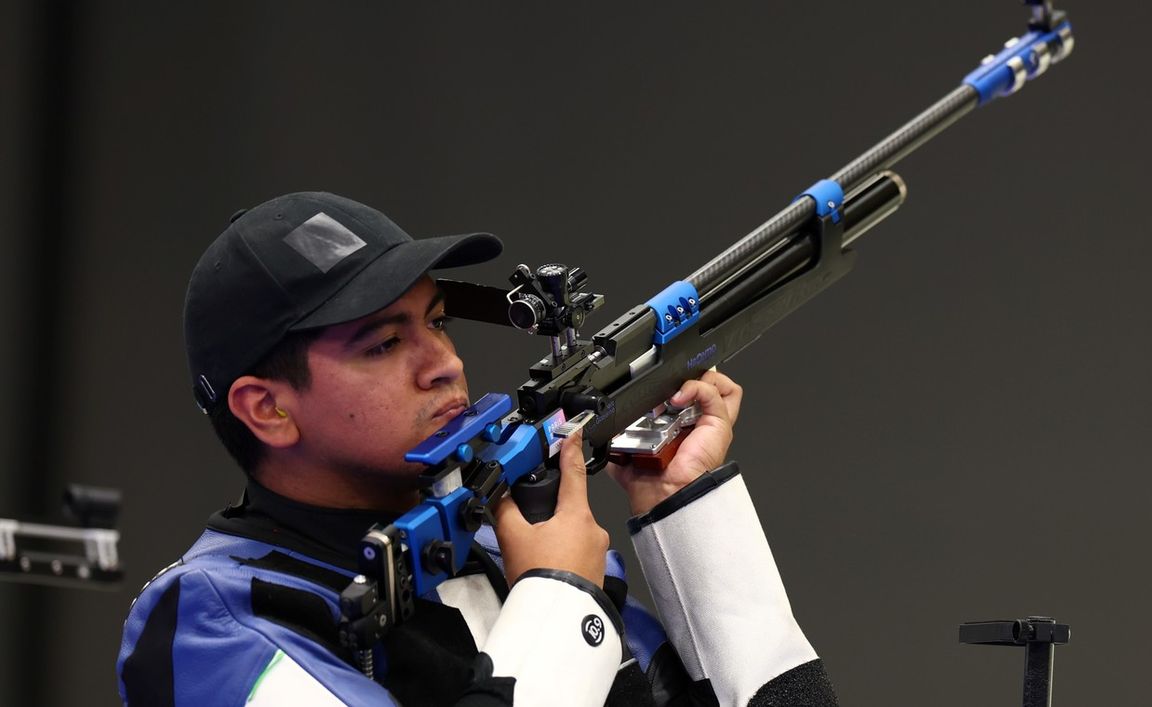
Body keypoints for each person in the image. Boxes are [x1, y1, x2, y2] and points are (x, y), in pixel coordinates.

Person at [116, 192, 838, 706]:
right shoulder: (207, 622)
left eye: (437, 320)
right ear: (266, 408)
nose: (444, 362)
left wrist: (683, 510)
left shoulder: (509, 543)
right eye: (386, 342)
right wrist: (560, 598)